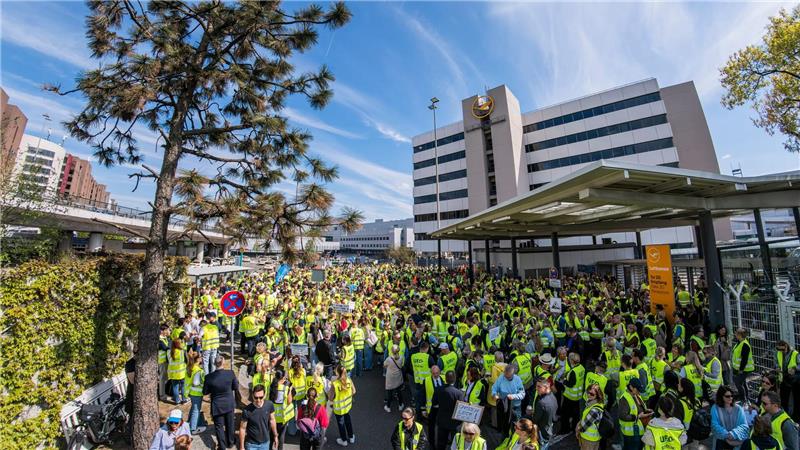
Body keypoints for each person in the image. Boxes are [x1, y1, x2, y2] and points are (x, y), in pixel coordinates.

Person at [204, 356, 240, 450]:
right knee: (230, 424)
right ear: (223, 362)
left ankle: (222, 446)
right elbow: (235, 387)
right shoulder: (230, 373)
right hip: (229, 403)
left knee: (219, 427)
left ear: (214, 364)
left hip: (217, 405)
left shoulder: (209, 377)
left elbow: (205, 392)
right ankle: (231, 443)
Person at [433, 370, 466, 450]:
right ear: (454, 379)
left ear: (445, 379)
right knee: (455, 443)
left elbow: (434, 403)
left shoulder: (438, 389)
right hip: (454, 423)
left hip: (442, 420)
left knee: (441, 442)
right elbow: (461, 409)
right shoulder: (459, 393)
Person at [239, 384, 277, 450]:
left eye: (261, 397)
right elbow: (242, 428)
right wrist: (241, 446)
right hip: (251, 445)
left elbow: (272, 420)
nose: (258, 400)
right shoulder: (246, 410)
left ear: (264, 395)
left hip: (265, 444)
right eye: (256, 397)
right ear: (252, 396)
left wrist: (275, 435)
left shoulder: (269, 405)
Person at [710, 385, 749, 450]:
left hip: (736, 440)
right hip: (721, 441)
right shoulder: (715, 408)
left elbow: (744, 425)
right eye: (727, 396)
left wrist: (733, 434)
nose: (730, 398)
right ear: (721, 396)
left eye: (732, 396)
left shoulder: (738, 408)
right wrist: (726, 435)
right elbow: (714, 425)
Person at [492, 364, 526, 436]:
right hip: (503, 405)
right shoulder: (501, 377)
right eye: (505, 376)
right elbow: (494, 388)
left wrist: (514, 396)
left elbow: (522, 394)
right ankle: (503, 435)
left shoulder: (518, 380)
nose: (507, 378)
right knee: (502, 422)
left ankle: (514, 437)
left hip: (514, 406)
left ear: (513, 374)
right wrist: (494, 394)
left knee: (515, 424)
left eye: (509, 377)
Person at [619, 378, 650, 450]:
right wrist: (638, 417)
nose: (639, 392)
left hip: (638, 432)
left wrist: (646, 410)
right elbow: (623, 416)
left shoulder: (636, 395)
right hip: (631, 435)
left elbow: (638, 408)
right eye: (637, 389)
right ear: (631, 387)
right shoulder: (624, 399)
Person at [330, 364, 356, 446]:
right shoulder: (349, 380)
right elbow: (354, 391)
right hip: (347, 406)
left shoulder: (334, 384)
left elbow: (330, 398)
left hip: (339, 409)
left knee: (341, 424)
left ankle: (344, 440)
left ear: (337, 373)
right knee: (348, 420)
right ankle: (351, 437)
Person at [530, 376, 557, 448]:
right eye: (536, 386)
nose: (536, 388)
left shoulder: (541, 403)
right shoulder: (552, 396)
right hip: (549, 428)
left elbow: (535, 419)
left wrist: (532, 415)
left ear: (546, 387)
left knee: (542, 446)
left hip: (542, 432)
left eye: (539, 387)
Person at [576, 383, 605, 450]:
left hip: (589, 440)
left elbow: (583, 427)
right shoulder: (594, 403)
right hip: (593, 438)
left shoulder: (594, 410)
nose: (588, 395)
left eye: (592, 394)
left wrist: (578, 429)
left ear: (597, 396)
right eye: (588, 392)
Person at [271, 369, 294, 450]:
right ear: (283, 377)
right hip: (282, 416)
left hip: (272, 416)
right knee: (281, 435)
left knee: (271, 434)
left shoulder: (272, 385)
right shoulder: (286, 387)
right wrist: (290, 390)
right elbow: (289, 401)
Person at [185, 352, 207, 435]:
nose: (201, 358)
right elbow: (197, 382)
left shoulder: (189, 368)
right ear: (197, 359)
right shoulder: (199, 371)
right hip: (197, 394)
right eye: (200, 357)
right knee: (196, 410)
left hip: (191, 392)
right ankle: (192, 428)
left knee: (193, 408)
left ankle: (189, 422)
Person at [732, 328, 754, 402]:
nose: (735, 335)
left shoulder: (744, 345)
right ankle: (746, 397)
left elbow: (744, 359)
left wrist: (741, 370)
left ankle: (743, 398)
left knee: (739, 383)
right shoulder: (739, 342)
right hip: (739, 368)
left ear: (740, 335)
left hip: (744, 369)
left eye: (736, 333)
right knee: (742, 383)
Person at [385, 344, 406, 413]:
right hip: (398, 376)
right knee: (399, 392)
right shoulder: (401, 357)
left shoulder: (389, 359)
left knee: (390, 393)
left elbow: (384, 365)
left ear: (391, 351)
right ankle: (400, 405)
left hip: (390, 377)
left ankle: (388, 406)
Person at [167, 338, 188, 404]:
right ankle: (184, 399)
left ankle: (177, 400)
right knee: (183, 386)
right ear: (179, 344)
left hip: (173, 373)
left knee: (175, 387)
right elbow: (187, 361)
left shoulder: (169, 352)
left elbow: (168, 361)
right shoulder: (182, 351)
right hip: (181, 372)